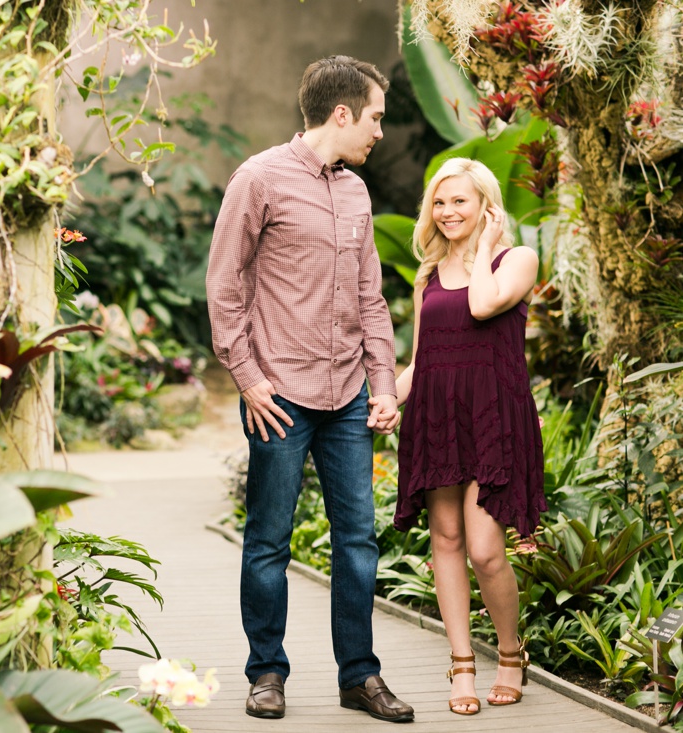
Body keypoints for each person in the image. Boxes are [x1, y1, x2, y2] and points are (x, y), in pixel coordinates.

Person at [206, 55, 414, 724]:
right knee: (270, 538)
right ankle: (267, 671)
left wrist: (383, 382)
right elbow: (225, 285)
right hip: (280, 396)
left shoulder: (355, 192)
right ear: (342, 112)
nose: (380, 131)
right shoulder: (259, 179)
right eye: (376, 117)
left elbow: (370, 297)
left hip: (348, 394)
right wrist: (248, 378)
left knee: (358, 539)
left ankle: (360, 675)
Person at [393, 157, 545, 716]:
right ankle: (461, 664)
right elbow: (420, 359)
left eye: (460, 200)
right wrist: (385, 398)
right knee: (447, 540)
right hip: (437, 416)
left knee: (485, 549)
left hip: (493, 414)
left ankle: (510, 653)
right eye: (439, 201)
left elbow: (483, 305)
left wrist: (483, 248)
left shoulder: (517, 259)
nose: (448, 211)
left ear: (485, 204)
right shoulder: (427, 276)